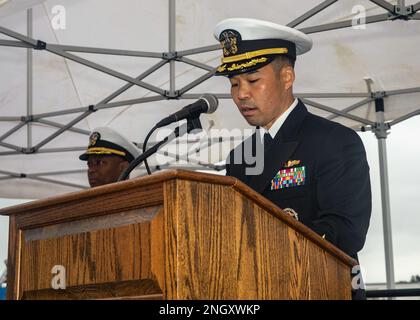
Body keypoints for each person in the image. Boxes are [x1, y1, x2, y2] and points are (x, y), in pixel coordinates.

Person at [214, 18, 371, 299]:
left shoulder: (334, 142)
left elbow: (346, 231)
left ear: (287, 77)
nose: (241, 95)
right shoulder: (239, 157)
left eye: (252, 80)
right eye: (234, 83)